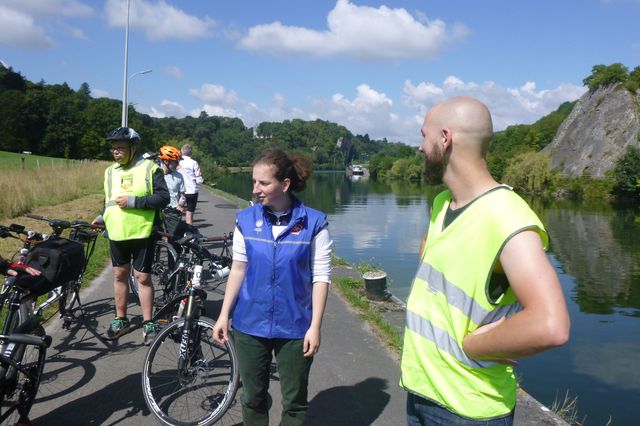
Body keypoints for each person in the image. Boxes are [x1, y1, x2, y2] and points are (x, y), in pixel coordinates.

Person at [400, 97, 570, 425]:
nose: (420, 147)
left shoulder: (506, 216)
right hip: (422, 391)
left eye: (424, 135)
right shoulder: (441, 204)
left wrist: (477, 346)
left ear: (445, 138)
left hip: (468, 409)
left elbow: (551, 325)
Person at [213, 148, 332, 426]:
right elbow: (238, 269)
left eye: (264, 183)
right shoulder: (246, 220)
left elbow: (321, 277)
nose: (256, 189)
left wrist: (315, 326)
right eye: (254, 182)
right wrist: (223, 314)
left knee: (294, 402)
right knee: (252, 397)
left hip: (295, 326)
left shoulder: (314, 223)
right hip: (250, 324)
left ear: (285, 184)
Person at [92, 127, 169, 344]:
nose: (116, 152)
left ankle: (148, 321)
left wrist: (133, 201)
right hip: (117, 232)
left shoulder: (150, 169)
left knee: (142, 277)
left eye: (120, 148)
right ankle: (121, 318)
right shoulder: (110, 172)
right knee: (119, 275)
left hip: (142, 231)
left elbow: (164, 198)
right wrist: (101, 217)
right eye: (114, 148)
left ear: (133, 148)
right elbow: (108, 201)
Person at [158, 145, 187, 237]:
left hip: (173, 211)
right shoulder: (156, 174)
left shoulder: (179, 176)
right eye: (175, 162)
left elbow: (182, 195)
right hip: (157, 210)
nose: (178, 164)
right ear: (166, 161)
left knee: (174, 238)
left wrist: (180, 205)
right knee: (155, 238)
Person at [178, 143, 203, 225]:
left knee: (178, 211)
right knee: (189, 217)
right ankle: (189, 234)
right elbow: (199, 180)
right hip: (192, 192)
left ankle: (174, 231)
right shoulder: (194, 163)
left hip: (181, 192)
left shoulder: (178, 163)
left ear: (181, 152)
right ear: (190, 153)